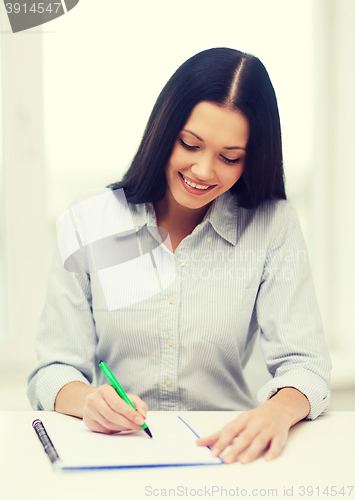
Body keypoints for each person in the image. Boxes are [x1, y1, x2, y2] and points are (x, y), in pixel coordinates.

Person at [28, 47, 331, 465]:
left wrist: (276, 413)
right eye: (190, 144)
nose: (204, 171)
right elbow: (52, 372)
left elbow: (306, 367)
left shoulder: (273, 227)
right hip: (114, 454)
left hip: (226, 452)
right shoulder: (86, 223)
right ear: (163, 129)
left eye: (230, 158)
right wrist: (88, 401)